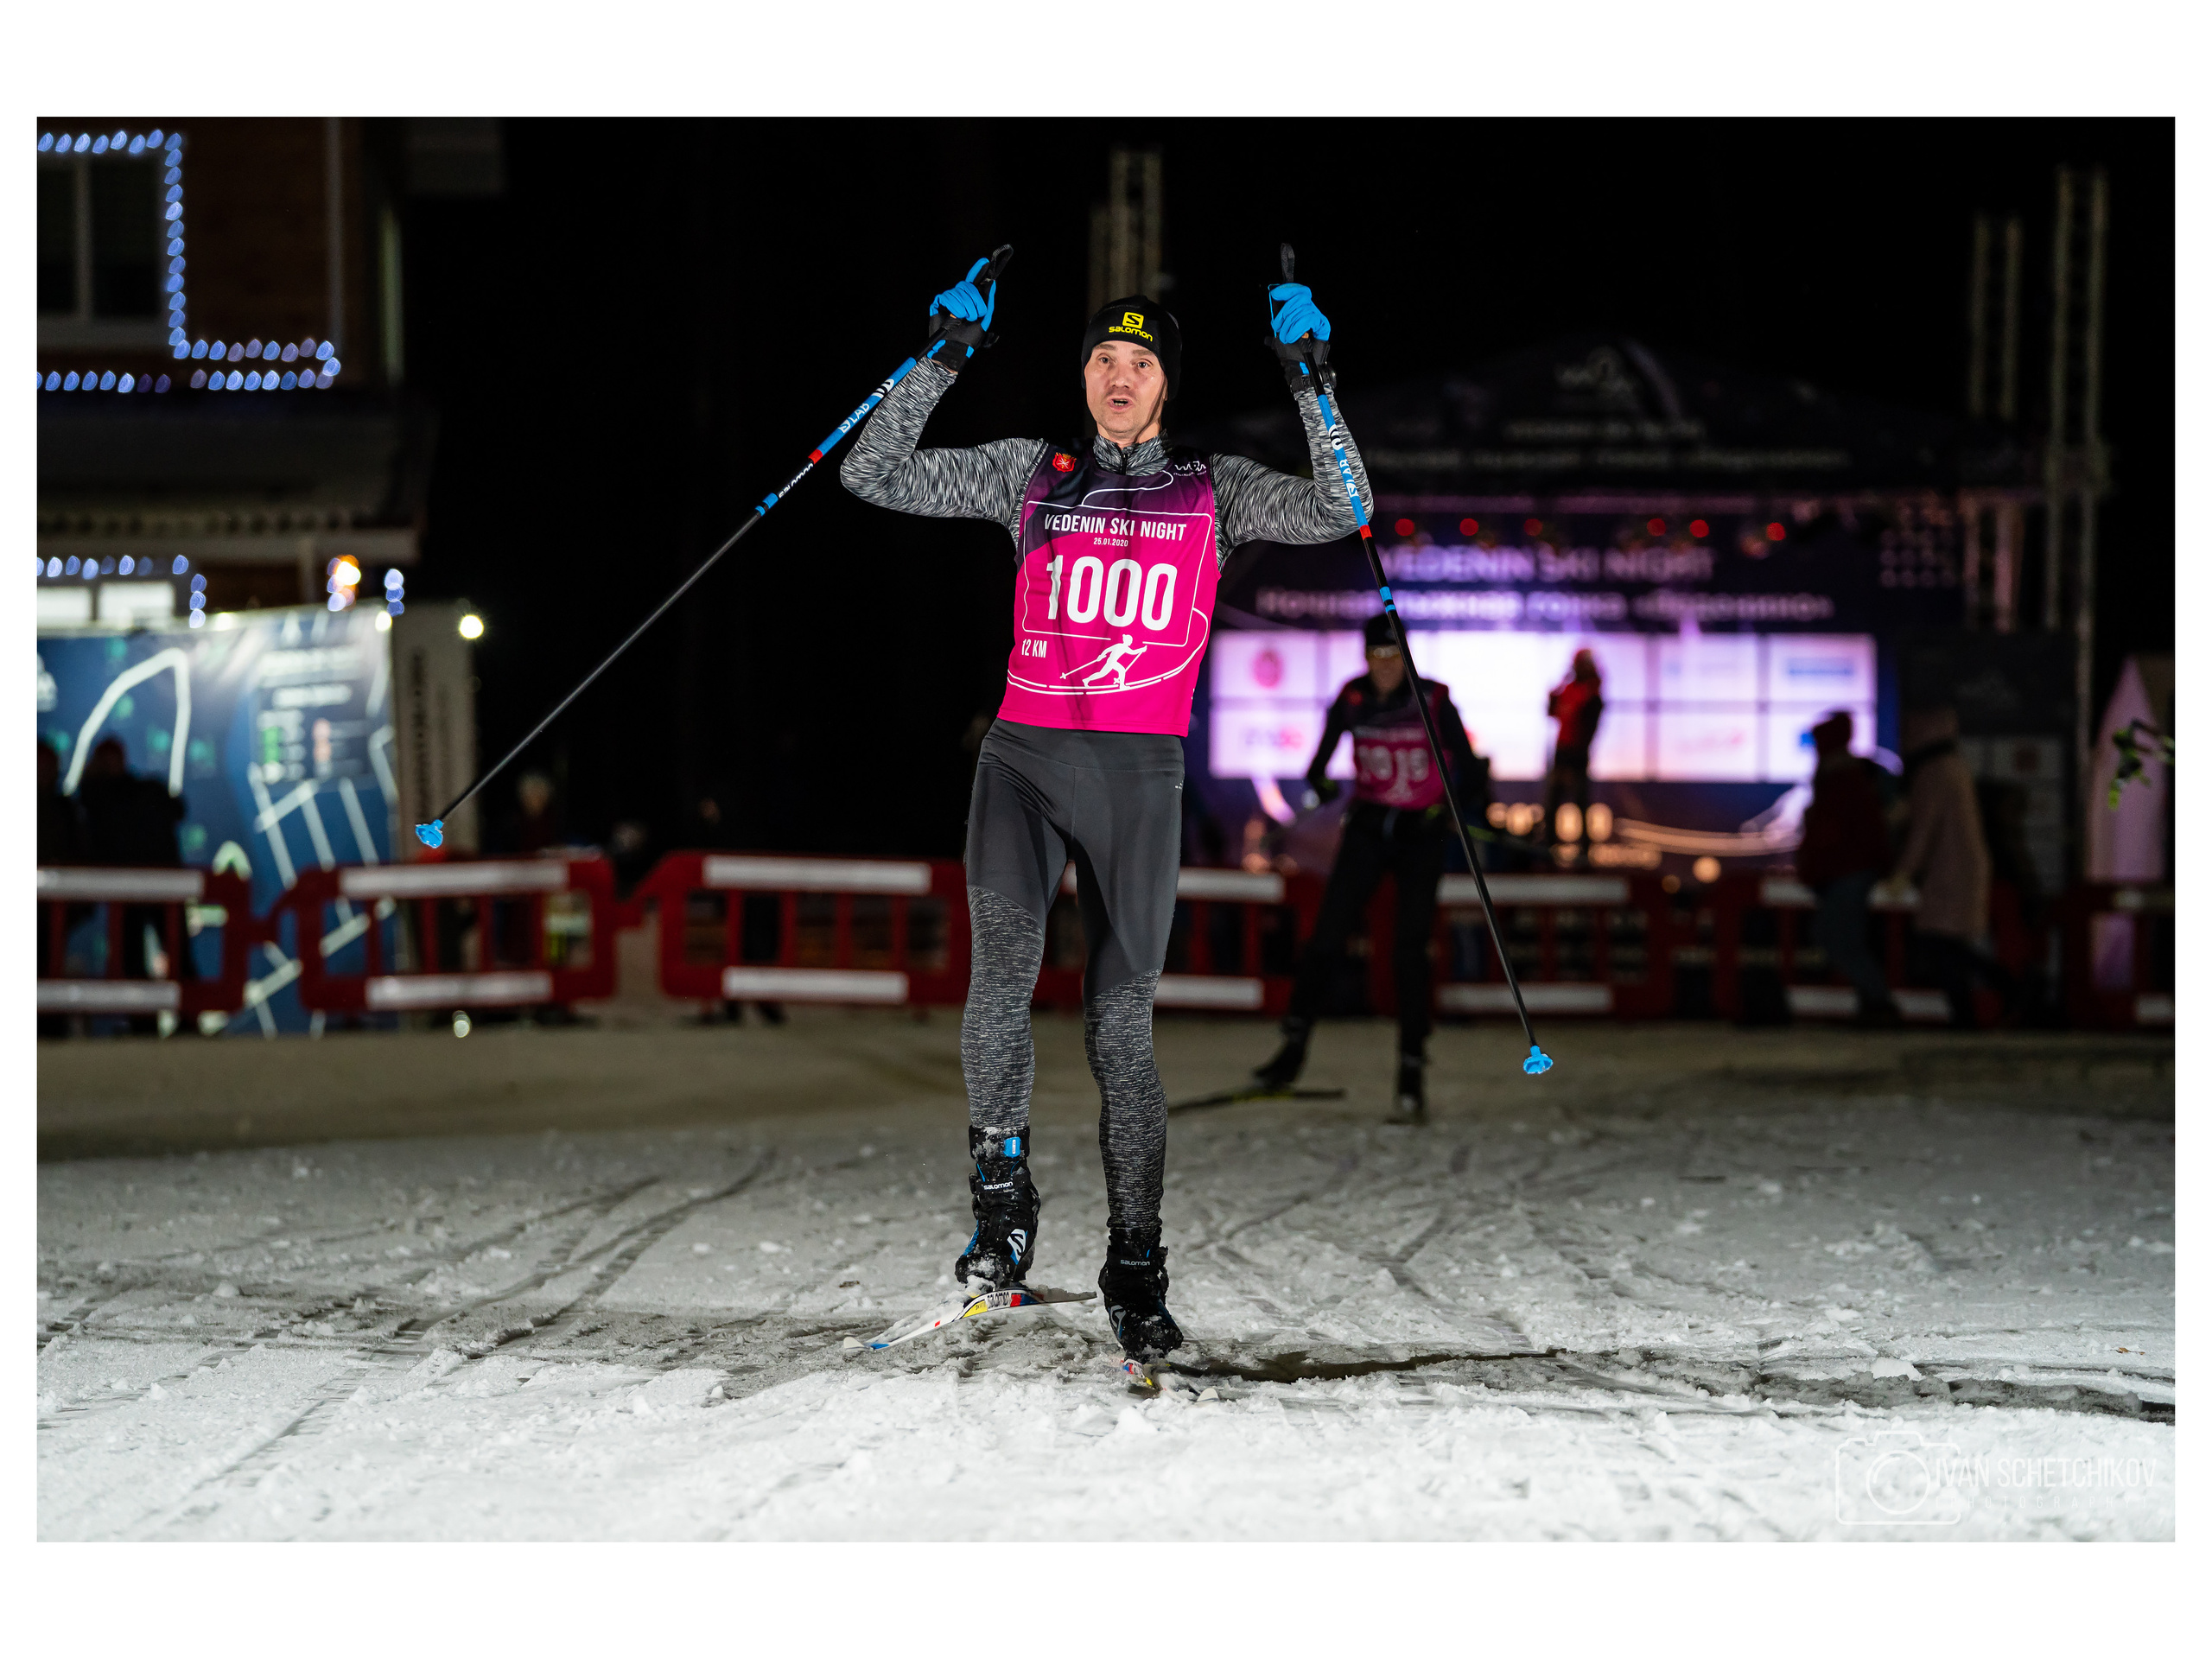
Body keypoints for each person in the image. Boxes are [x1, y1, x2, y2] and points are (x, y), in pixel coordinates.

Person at [841, 261, 1370, 1363]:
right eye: (1101, 359)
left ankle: (1135, 1262)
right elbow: (870, 472)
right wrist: (940, 357)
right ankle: (1002, 1214)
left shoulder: (1214, 489)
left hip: (1137, 781)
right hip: (1021, 764)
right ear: (1080, 373)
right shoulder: (1030, 474)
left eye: (1139, 363)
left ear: (1167, 382)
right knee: (998, 984)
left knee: (1118, 1028)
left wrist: (1310, 380)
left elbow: (1344, 509)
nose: (1118, 377)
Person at [1250, 611, 1484, 1118]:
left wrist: (1451, 808)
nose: (1385, 665)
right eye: (1376, 655)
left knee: (1409, 949)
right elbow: (1318, 764)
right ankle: (1292, 1048)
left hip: (1419, 835)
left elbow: (1470, 769)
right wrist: (1321, 783)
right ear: (1365, 657)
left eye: (1393, 655)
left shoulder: (1433, 699)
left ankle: (1411, 1069)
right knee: (1326, 937)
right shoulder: (1353, 697)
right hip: (1369, 829)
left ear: (1407, 656)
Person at [1885, 705, 2016, 1028]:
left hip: (1949, 871)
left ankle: (2000, 989)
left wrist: (1904, 872)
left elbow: (1924, 830)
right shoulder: (1952, 767)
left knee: (1939, 943)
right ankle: (1973, 1009)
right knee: (1947, 944)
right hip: (1959, 866)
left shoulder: (1933, 772)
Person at [1794, 711, 1900, 1026]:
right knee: (1843, 940)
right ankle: (1875, 1004)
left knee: (1839, 941)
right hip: (1850, 873)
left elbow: (1835, 834)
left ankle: (1879, 1003)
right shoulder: (1849, 776)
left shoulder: (1841, 780)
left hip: (1846, 874)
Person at [1543, 648, 1604, 863]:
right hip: (1562, 751)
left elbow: (1589, 725)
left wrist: (1579, 753)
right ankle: (1548, 847)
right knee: (1553, 801)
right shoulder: (1569, 688)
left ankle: (1585, 851)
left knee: (1580, 801)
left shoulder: (1592, 692)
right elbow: (1552, 712)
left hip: (1577, 754)